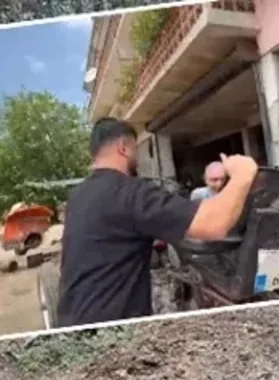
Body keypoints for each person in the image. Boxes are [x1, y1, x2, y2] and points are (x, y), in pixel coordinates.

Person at [56, 117, 260, 328]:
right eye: (136, 149)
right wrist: (242, 174)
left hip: (70, 320)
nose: (138, 156)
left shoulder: (78, 195)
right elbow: (215, 225)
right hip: (115, 327)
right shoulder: (131, 192)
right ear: (123, 148)